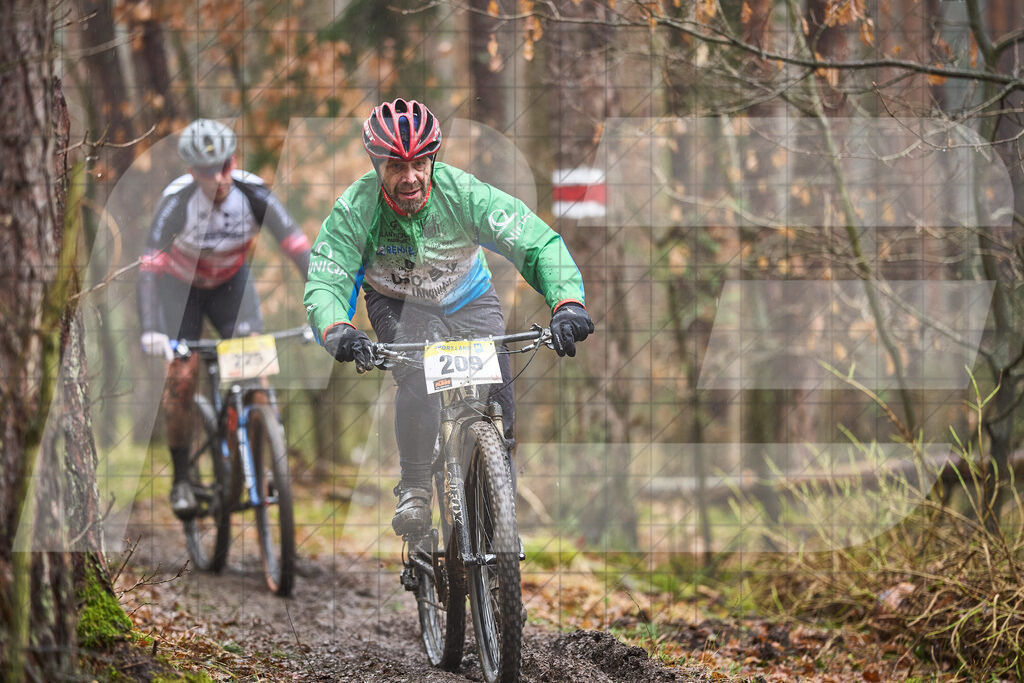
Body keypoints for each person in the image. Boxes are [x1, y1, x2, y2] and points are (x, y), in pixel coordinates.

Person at [303, 98, 594, 537]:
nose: (410, 178)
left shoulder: (464, 194)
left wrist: (567, 301)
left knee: (498, 393)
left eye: (419, 163)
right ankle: (416, 486)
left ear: (432, 159)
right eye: (396, 166)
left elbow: (534, 241)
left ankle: (497, 501)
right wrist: (335, 327)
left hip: (468, 298)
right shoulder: (355, 211)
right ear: (376, 164)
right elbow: (329, 275)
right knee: (419, 371)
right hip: (397, 302)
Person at [138, 118, 311, 518]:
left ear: (234, 161)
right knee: (182, 376)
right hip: (180, 291)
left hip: (231, 287)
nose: (217, 178)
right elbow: (149, 268)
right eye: (206, 171)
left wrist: (328, 306)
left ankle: (264, 462)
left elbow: (298, 248)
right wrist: (150, 328)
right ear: (191, 172)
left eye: (224, 167)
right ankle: (182, 477)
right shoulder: (177, 201)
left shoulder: (252, 193)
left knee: (256, 374)